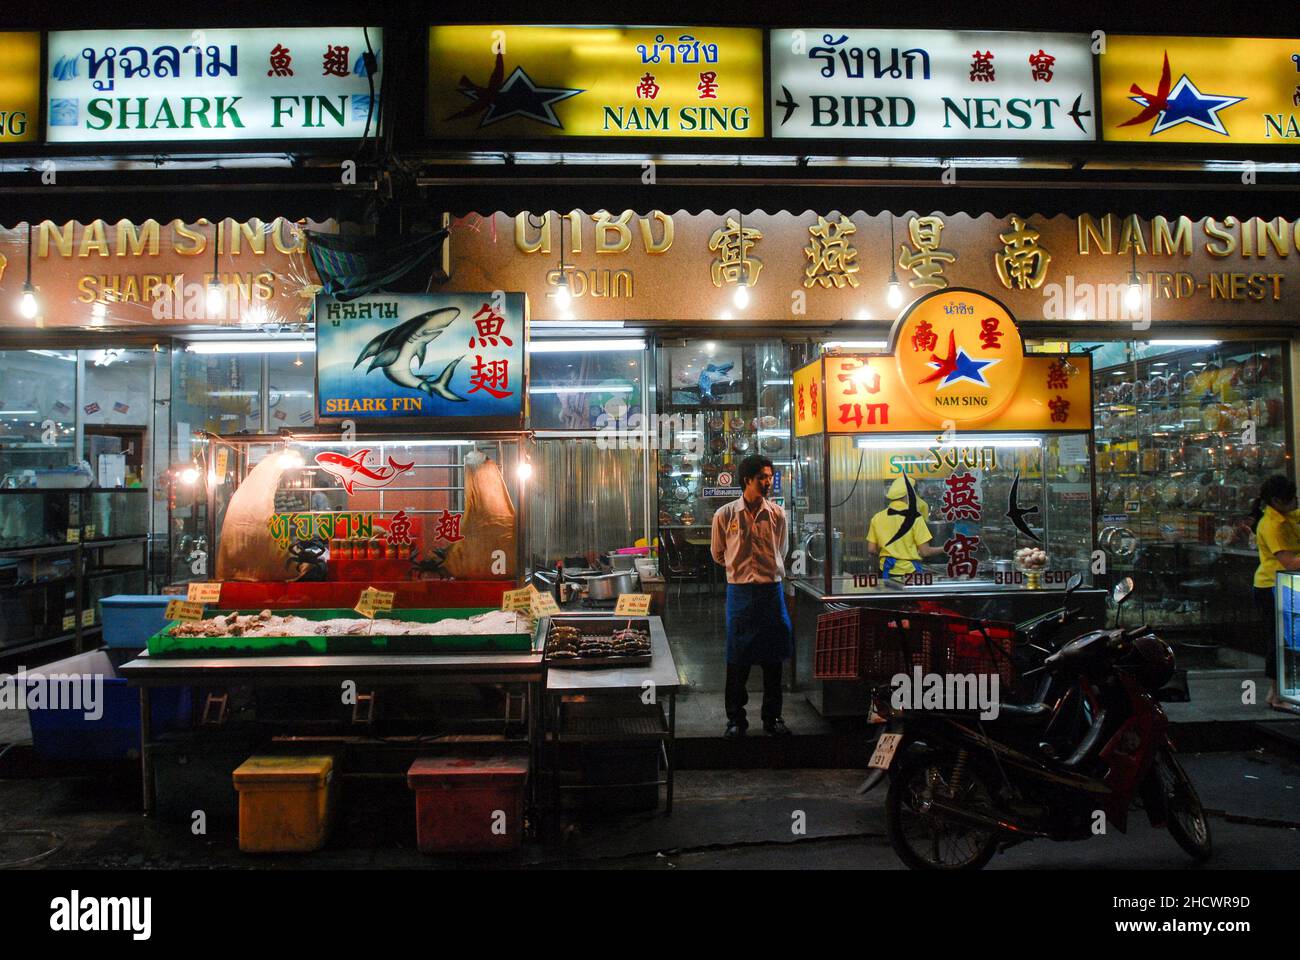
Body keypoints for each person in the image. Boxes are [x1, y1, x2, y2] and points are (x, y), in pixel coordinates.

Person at [711, 454, 792, 738]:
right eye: (763, 477)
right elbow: (718, 554)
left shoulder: (777, 514)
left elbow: (780, 551)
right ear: (747, 479)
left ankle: (773, 718)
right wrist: (740, 568)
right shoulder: (725, 515)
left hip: (771, 592)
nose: (768, 482)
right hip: (740, 593)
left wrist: (766, 571)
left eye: (770, 477)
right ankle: (735, 719)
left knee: (774, 659)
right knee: (737, 659)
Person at [1251, 474, 1300, 714]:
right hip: (1272, 586)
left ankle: (1275, 693)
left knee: (1285, 639)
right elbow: (1289, 562)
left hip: (1285, 586)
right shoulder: (1272, 525)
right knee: (1280, 641)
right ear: (1277, 501)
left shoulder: (1285, 516)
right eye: (1291, 499)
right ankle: (1279, 695)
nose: (1295, 502)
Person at [867, 475, 945, 578]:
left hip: (885, 570)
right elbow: (925, 552)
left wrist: (888, 554)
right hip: (910, 573)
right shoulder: (915, 517)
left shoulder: (877, 518)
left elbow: (871, 549)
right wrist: (945, 548)